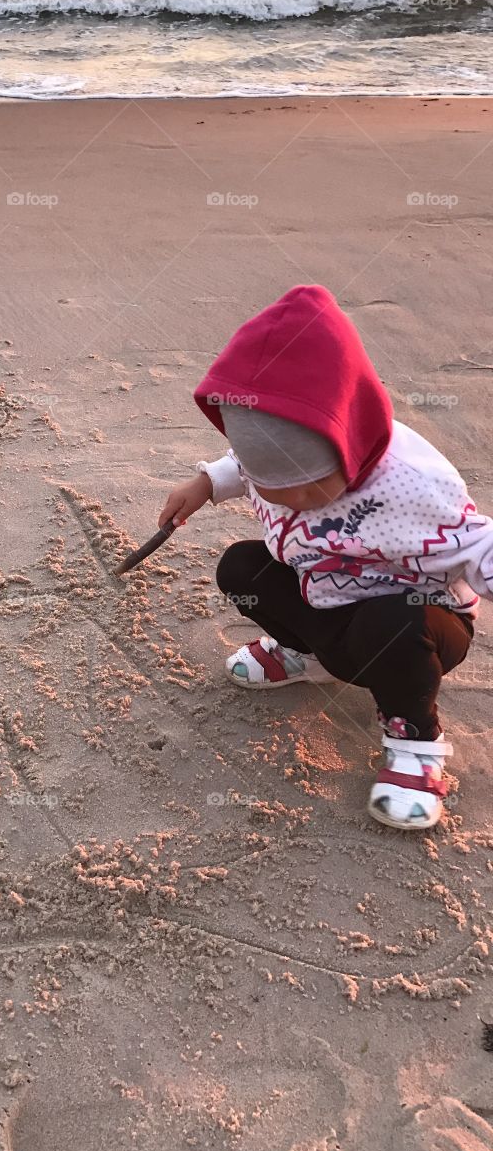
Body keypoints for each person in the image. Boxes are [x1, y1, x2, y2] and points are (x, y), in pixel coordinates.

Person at [159, 284, 493, 830]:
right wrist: (206, 481)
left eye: (309, 488)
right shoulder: (271, 452)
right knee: (242, 568)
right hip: (328, 599)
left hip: (419, 621)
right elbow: (246, 462)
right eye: (273, 487)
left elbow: (479, 544)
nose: (290, 499)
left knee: (390, 622)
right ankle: (305, 655)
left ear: (349, 442)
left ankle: (414, 744)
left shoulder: (414, 485)